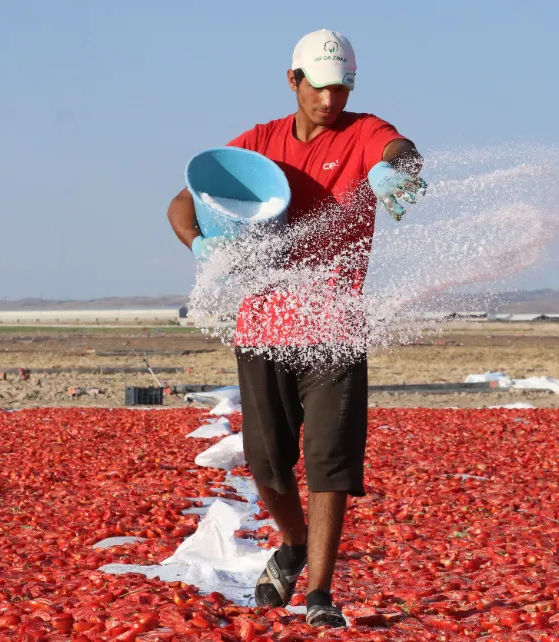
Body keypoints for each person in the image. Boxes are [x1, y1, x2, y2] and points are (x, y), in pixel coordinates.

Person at [167, 28, 425, 628]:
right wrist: (201, 244)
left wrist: (398, 170)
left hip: (333, 327)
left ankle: (320, 594)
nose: (331, 101)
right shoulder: (259, 145)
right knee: (267, 463)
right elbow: (182, 201)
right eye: (320, 88)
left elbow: (400, 149)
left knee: (331, 462)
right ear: (294, 81)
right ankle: (292, 543)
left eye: (342, 88)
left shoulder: (363, 133)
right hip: (262, 326)